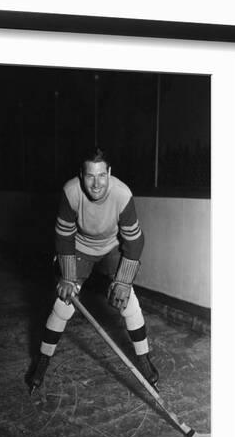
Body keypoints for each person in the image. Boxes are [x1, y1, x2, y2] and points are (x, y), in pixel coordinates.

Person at [30, 147, 159, 392]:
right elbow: (63, 237)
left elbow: (134, 241)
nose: (96, 183)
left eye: (102, 175)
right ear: (81, 174)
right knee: (62, 305)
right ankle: (42, 361)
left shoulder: (122, 194)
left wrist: (123, 282)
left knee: (128, 302)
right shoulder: (70, 192)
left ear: (109, 172)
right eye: (90, 176)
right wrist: (67, 277)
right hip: (79, 248)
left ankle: (144, 360)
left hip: (112, 247)